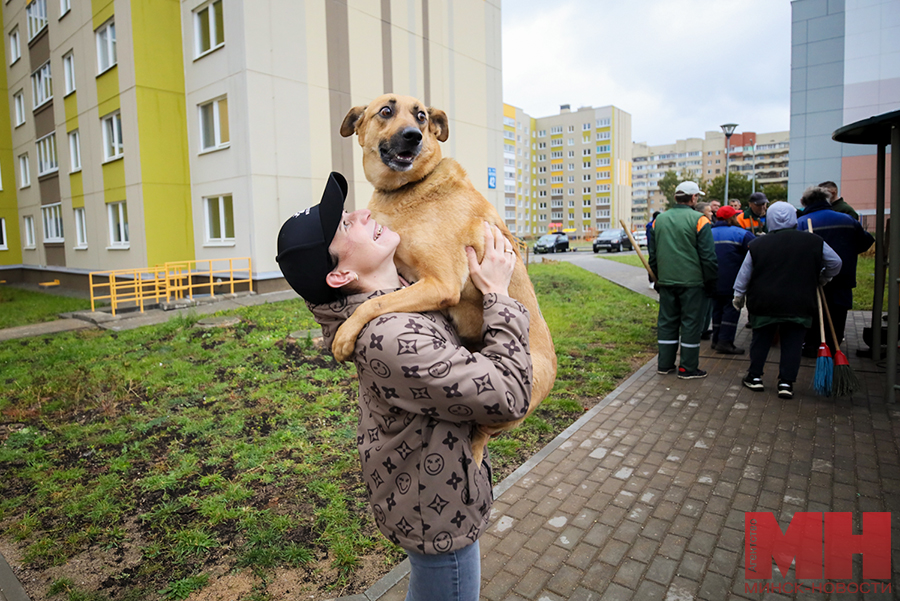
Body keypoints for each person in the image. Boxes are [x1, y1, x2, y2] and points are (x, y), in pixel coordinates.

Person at [275, 172, 532, 601]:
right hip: (438, 516)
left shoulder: (405, 297)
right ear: (339, 277)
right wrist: (501, 300)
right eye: (343, 226)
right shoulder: (391, 338)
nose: (361, 213)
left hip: (434, 491)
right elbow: (509, 398)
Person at [733, 202, 842, 399]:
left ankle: (755, 377)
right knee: (793, 343)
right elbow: (835, 262)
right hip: (799, 301)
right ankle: (786, 383)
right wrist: (823, 278)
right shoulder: (813, 241)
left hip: (764, 302)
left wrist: (738, 295)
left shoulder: (758, 244)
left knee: (761, 340)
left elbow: (744, 273)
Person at [648, 181, 718, 379]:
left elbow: (653, 255)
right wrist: (711, 282)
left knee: (667, 323)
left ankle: (665, 364)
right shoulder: (700, 220)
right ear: (694, 198)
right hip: (692, 283)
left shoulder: (659, 220)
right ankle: (687, 368)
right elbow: (708, 257)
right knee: (690, 324)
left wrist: (656, 278)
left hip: (667, 282)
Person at [797, 186, 874, 355]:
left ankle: (812, 346)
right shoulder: (848, 220)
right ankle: (834, 344)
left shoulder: (803, 222)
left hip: (813, 277)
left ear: (805, 202)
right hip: (843, 276)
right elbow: (866, 241)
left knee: (814, 311)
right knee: (838, 312)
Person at [710, 205, 755, 354]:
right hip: (733, 280)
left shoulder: (708, 233)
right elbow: (756, 251)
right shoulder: (741, 234)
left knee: (717, 310)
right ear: (731, 218)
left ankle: (716, 340)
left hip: (712, 280)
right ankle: (725, 342)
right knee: (732, 309)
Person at [646, 210, 661, 289]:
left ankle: (655, 280)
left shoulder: (650, 225)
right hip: (653, 246)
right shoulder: (652, 225)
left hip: (653, 246)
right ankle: (652, 280)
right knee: (653, 262)